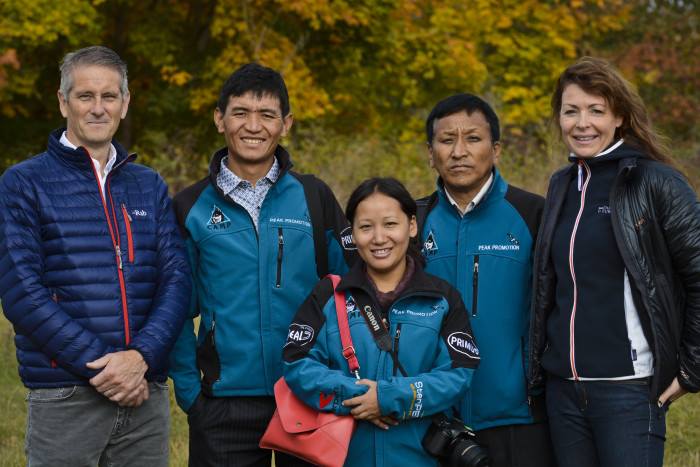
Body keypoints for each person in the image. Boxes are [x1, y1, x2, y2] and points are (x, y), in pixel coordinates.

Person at [0, 45, 191, 467]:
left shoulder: (148, 184)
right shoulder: (23, 184)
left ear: (125, 103)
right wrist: (106, 369)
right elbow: (21, 293)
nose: (98, 108)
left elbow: (176, 279)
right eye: (86, 96)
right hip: (65, 394)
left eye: (109, 96)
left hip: (145, 391)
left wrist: (140, 358)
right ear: (63, 101)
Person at [169, 62, 356, 467]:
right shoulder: (189, 206)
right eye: (240, 113)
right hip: (224, 406)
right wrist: (190, 394)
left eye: (267, 115)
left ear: (285, 123)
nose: (253, 126)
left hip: (309, 392)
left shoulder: (314, 196)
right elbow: (175, 309)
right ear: (219, 119)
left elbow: (353, 288)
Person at [528, 56, 700, 467]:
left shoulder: (656, 181)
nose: (582, 123)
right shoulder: (561, 185)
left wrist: (692, 369)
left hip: (629, 391)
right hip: (563, 391)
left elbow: (697, 275)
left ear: (619, 116)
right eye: (571, 111)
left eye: (596, 110)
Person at [283, 177, 480, 466]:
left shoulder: (442, 298)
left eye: (390, 224)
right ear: (352, 233)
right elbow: (297, 363)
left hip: (419, 458)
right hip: (343, 457)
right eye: (365, 227)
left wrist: (390, 397)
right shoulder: (328, 293)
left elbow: (458, 373)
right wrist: (361, 398)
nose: (378, 238)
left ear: (411, 226)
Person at [417, 93, 553, 466]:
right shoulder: (413, 221)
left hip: (519, 418)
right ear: (431, 153)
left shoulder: (534, 214)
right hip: (435, 420)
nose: (459, 151)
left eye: (473, 139)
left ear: (495, 149)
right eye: (447, 140)